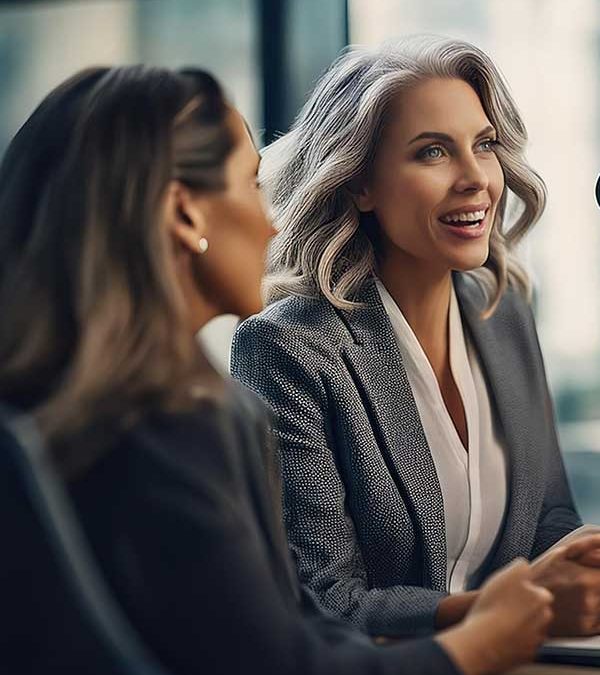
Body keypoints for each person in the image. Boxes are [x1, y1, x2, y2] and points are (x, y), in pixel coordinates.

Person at [0, 64, 561, 675]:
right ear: (185, 216)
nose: (272, 222)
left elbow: (296, 630)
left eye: (483, 145)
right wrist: (475, 643)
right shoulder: (169, 434)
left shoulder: (150, 417)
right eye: (249, 185)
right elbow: (290, 656)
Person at [231, 35, 600, 638]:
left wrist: (598, 568)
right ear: (360, 184)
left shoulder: (502, 309)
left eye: (483, 145)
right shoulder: (286, 348)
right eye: (433, 152)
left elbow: (549, 518)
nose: (476, 180)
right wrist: (515, 609)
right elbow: (324, 601)